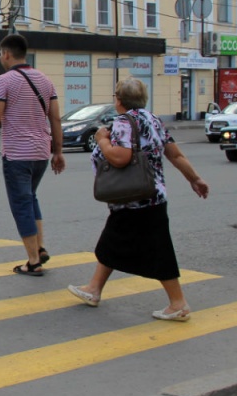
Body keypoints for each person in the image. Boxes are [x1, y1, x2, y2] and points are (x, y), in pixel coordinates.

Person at [67, 77, 210, 321]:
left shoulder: (123, 123)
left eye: (115, 95)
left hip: (133, 198)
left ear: (119, 100)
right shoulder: (153, 119)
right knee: (113, 244)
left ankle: (178, 303)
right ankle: (94, 289)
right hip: (151, 195)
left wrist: (102, 140)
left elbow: (121, 157)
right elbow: (174, 154)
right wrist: (194, 178)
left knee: (152, 250)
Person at [0, 33, 65, 276]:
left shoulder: (3, 81)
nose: (0, 58)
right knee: (30, 198)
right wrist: (58, 152)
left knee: (21, 204)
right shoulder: (45, 80)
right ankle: (39, 248)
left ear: (7, 54)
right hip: (41, 153)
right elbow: (55, 119)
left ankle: (33, 261)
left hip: (18, 155)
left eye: (1, 54)